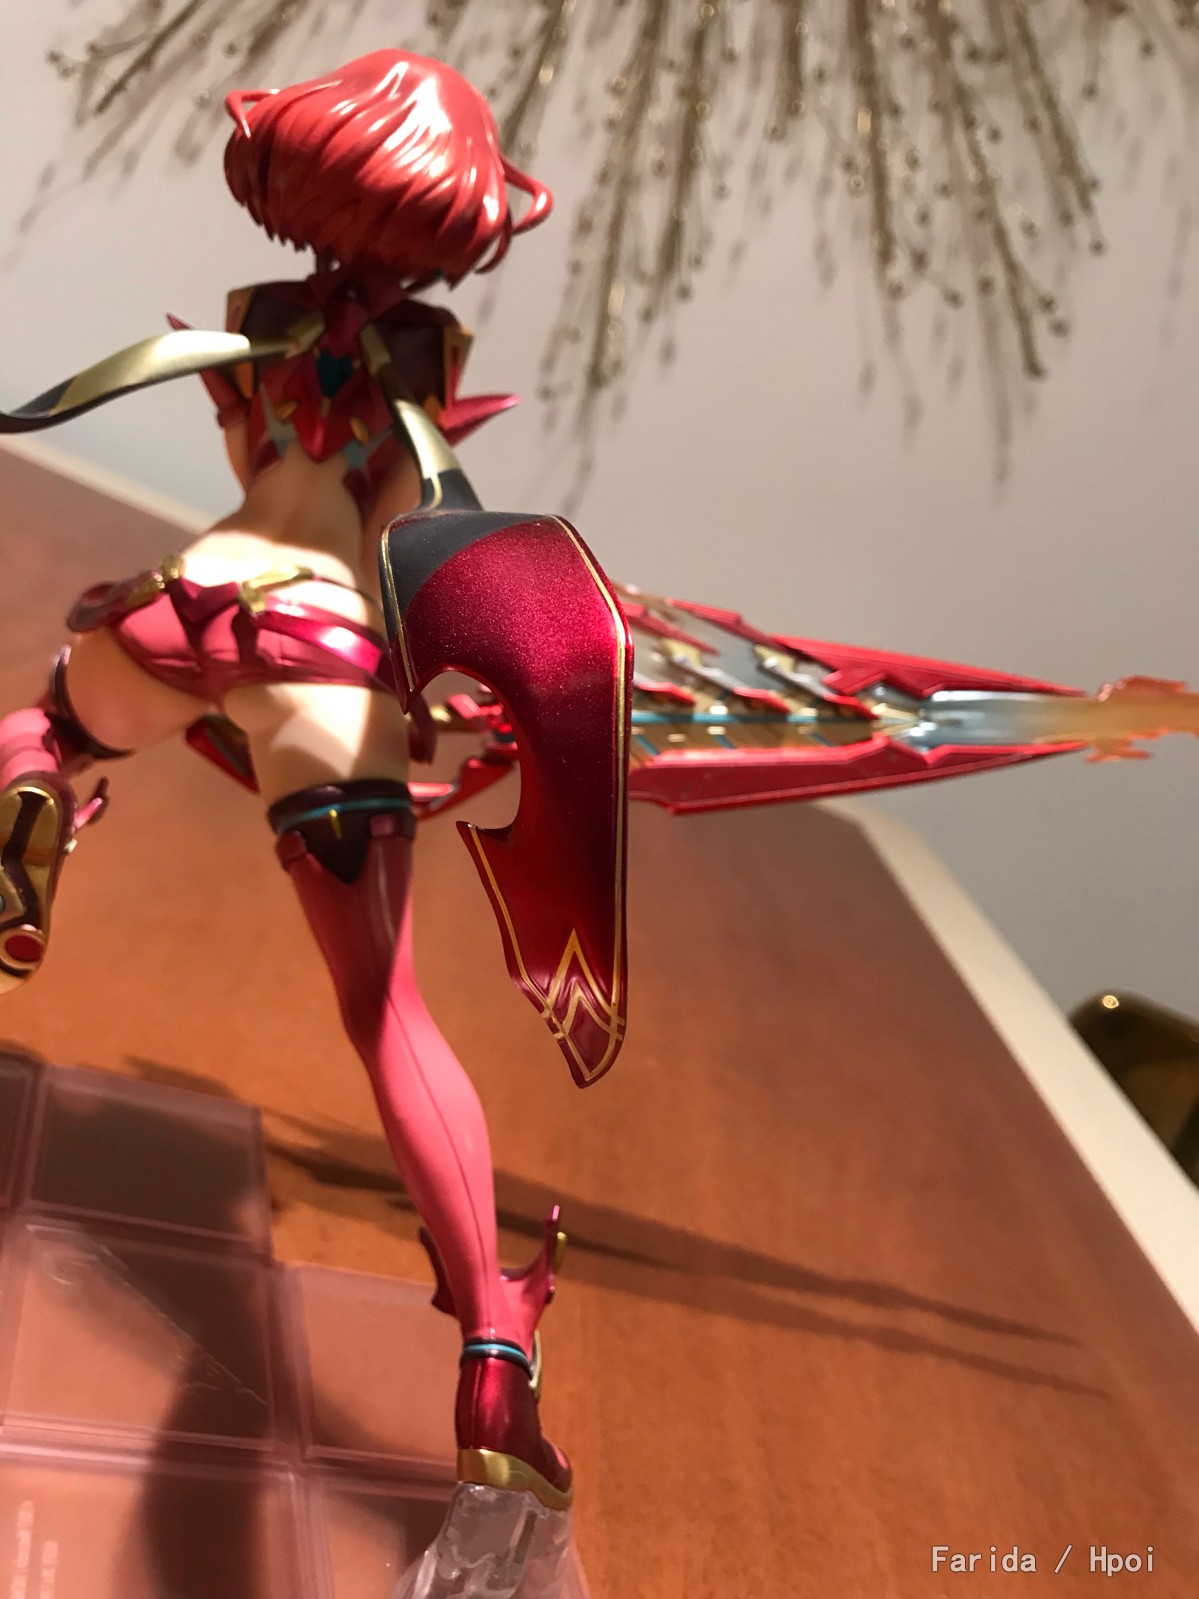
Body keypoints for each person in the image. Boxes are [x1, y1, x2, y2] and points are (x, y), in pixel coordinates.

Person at [0, 48, 572, 1512]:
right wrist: (446, 700)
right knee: (384, 1010)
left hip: (181, 605)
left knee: (51, 727)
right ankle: (493, 1341)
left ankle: (36, 795)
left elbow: (265, 464)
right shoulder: (422, 365)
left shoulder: (256, 324)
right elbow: (403, 544)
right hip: (317, 650)